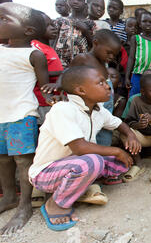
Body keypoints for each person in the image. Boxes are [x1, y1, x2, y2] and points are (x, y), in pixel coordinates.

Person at [29, 66, 141, 231]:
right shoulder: (63, 109)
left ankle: (81, 186)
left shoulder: (97, 110)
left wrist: (130, 136)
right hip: (46, 172)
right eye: (100, 82)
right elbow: (80, 148)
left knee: (122, 163)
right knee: (92, 162)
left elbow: (118, 123)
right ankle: (55, 204)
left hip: (78, 164)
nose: (107, 86)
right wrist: (117, 150)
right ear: (81, 90)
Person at [0, 3, 50, 234]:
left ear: (28, 31)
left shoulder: (34, 54)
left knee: (22, 160)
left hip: (22, 114)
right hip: (1, 115)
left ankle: (24, 205)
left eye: (4, 19)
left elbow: (44, 85)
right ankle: (9, 196)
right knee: (2, 159)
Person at [69, 29, 122, 149]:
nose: (111, 57)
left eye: (114, 54)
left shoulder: (103, 63)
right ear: (96, 43)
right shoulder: (83, 59)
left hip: (105, 106)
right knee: (88, 133)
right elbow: (68, 75)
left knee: (105, 133)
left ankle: (102, 161)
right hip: (90, 106)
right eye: (109, 53)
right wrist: (59, 86)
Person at [31, 11, 64, 126]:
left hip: (54, 97)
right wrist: (62, 72)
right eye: (48, 26)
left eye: (53, 24)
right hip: (43, 100)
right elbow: (35, 72)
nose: (54, 28)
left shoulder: (48, 46)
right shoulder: (35, 47)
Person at [125, 11, 151, 98]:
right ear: (139, 24)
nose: (148, 24)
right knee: (134, 98)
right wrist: (127, 77)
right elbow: (131, 58)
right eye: (144, 21)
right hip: (138, 75)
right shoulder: (136, 38)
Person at [54, 0, 95, 68]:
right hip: (61, 64)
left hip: (82, 65)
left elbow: (94, 45)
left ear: (84, 3)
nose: (75, 1)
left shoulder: (90, 23)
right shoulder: (60, 21)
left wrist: (85, 30)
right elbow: (53, 42)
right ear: (67, 2)